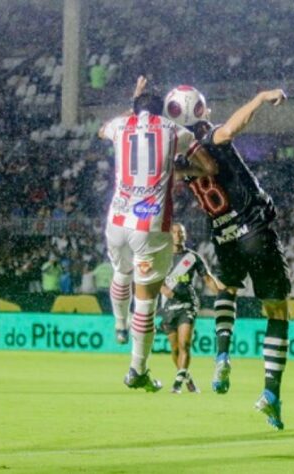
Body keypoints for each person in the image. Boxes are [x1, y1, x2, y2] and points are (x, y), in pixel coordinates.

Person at [174, 86, 290, 429]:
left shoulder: (179, 158)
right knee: (277, 310)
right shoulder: (207, 138)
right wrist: (258, 98)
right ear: (200, 111)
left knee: (226, 290)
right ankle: (270, 392)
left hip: (222, 235)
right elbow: (231, 129)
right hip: (252, 229)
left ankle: (222, 353)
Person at [99, 76, 216, 392]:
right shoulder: (173, 130)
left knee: (121, 273)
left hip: (117, 220)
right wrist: (179, 170)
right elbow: (209, 167)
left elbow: (102, 130)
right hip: (149, 225)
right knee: (146, 299)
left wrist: (133, 104)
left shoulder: (122, 126)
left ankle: (120, 325)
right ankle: (137, 369)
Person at [160, 223, 224, 394]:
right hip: (167, 306)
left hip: (188, 304)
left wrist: (222, 295)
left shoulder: (192, 257)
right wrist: (162, 289)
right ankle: (186, 376)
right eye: (174, 232)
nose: (178, 235)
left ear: (185, 235)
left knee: (185, 344)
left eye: (181, 232)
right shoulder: (162, 257)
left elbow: (208, 278)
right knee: (174, 349)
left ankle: (177, 384)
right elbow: (151, 278)